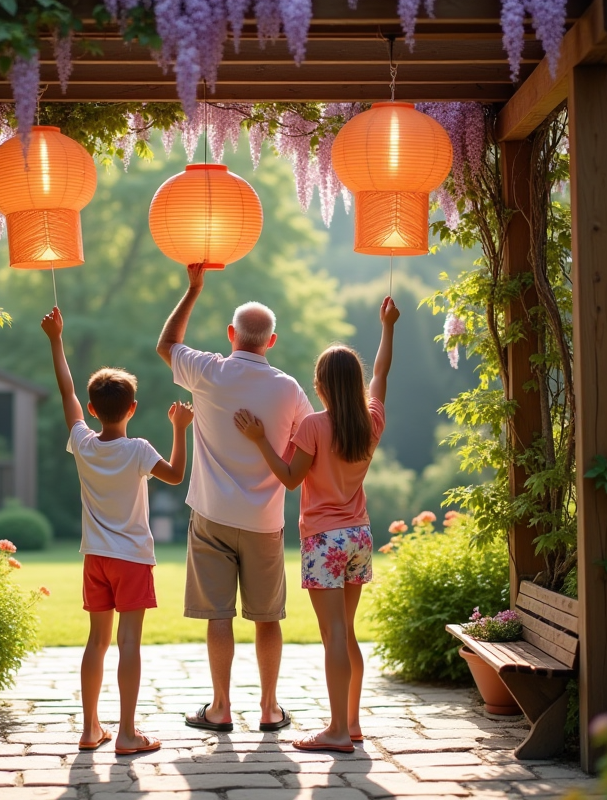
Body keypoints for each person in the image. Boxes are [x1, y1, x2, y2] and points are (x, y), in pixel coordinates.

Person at [233, 296, 400, 753]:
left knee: (334, 637)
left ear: (321, 384)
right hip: (360, 536)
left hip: (324, 540)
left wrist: (260, 440)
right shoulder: (372, 421)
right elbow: (382, 373)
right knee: (347, 632)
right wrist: (388, 327)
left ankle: (337, 732)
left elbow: (289, 480)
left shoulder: (311, 427)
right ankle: (352, 723)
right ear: (356, 383)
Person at [156, 264, 314, 733]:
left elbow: (166, 344)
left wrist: (193, 288)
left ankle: (220, 708)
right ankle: (269, 708)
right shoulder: (288, 388)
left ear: (231, 334)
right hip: (265, 521)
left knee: (218, 615)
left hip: (211, 515)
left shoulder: (208, 372)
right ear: (271, 341)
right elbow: (310, 440)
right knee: (267, 617)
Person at [41, 306, 193, 755]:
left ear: (93, 410)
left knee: (97, 641)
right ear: (133, 408)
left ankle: (91, 728)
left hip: (96, 558)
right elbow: (176, 475)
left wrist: (56, 339)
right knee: (129, 643)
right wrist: (179, 429)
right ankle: (126, 733)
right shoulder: (140, 450)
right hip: (132, 560)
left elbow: (65, 388)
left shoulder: (83, 443)